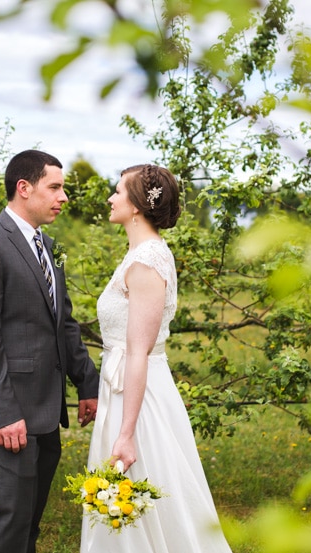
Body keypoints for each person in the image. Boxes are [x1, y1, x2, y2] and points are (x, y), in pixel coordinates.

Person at [81, 164, 232, 552]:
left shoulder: (147, 261)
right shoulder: (138, 254)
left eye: (117, 192)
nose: (110, 199)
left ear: (136, 207)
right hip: (124, 386)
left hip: (140, 396)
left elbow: (138, 351)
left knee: (147, 488)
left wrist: (127, 432)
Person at [0, 149, 100, 553]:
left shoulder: (47, 246)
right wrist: (5, 413)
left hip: (46, 412)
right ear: (24, 188)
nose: (64, 196)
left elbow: (63, 323)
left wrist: (87, 384)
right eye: (55, 187)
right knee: (10, 526)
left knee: (28, 525)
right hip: (8, 415)